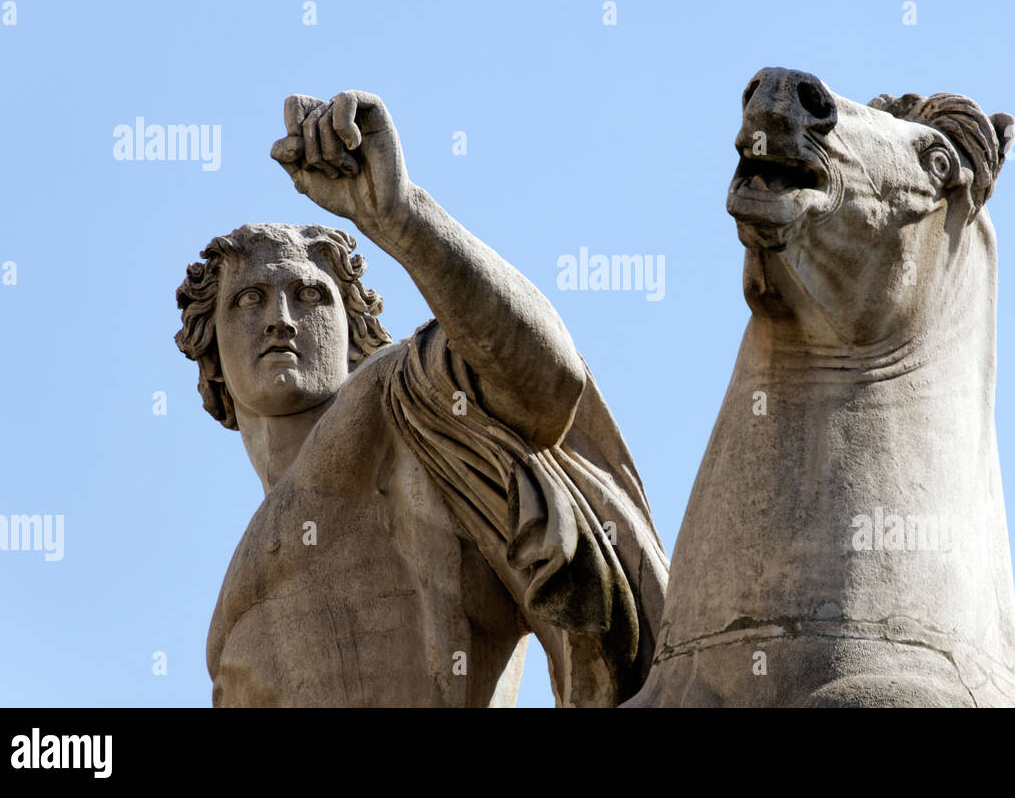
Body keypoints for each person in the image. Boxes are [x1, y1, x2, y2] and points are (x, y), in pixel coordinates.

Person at [174, 91, 667, 706]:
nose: (280, 320)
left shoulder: (403, 402)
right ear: (210, 352)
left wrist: (400, 215)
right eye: (248, 299)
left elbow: (548, 383)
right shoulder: (229, 611)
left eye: (310, 297)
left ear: (356, 334)